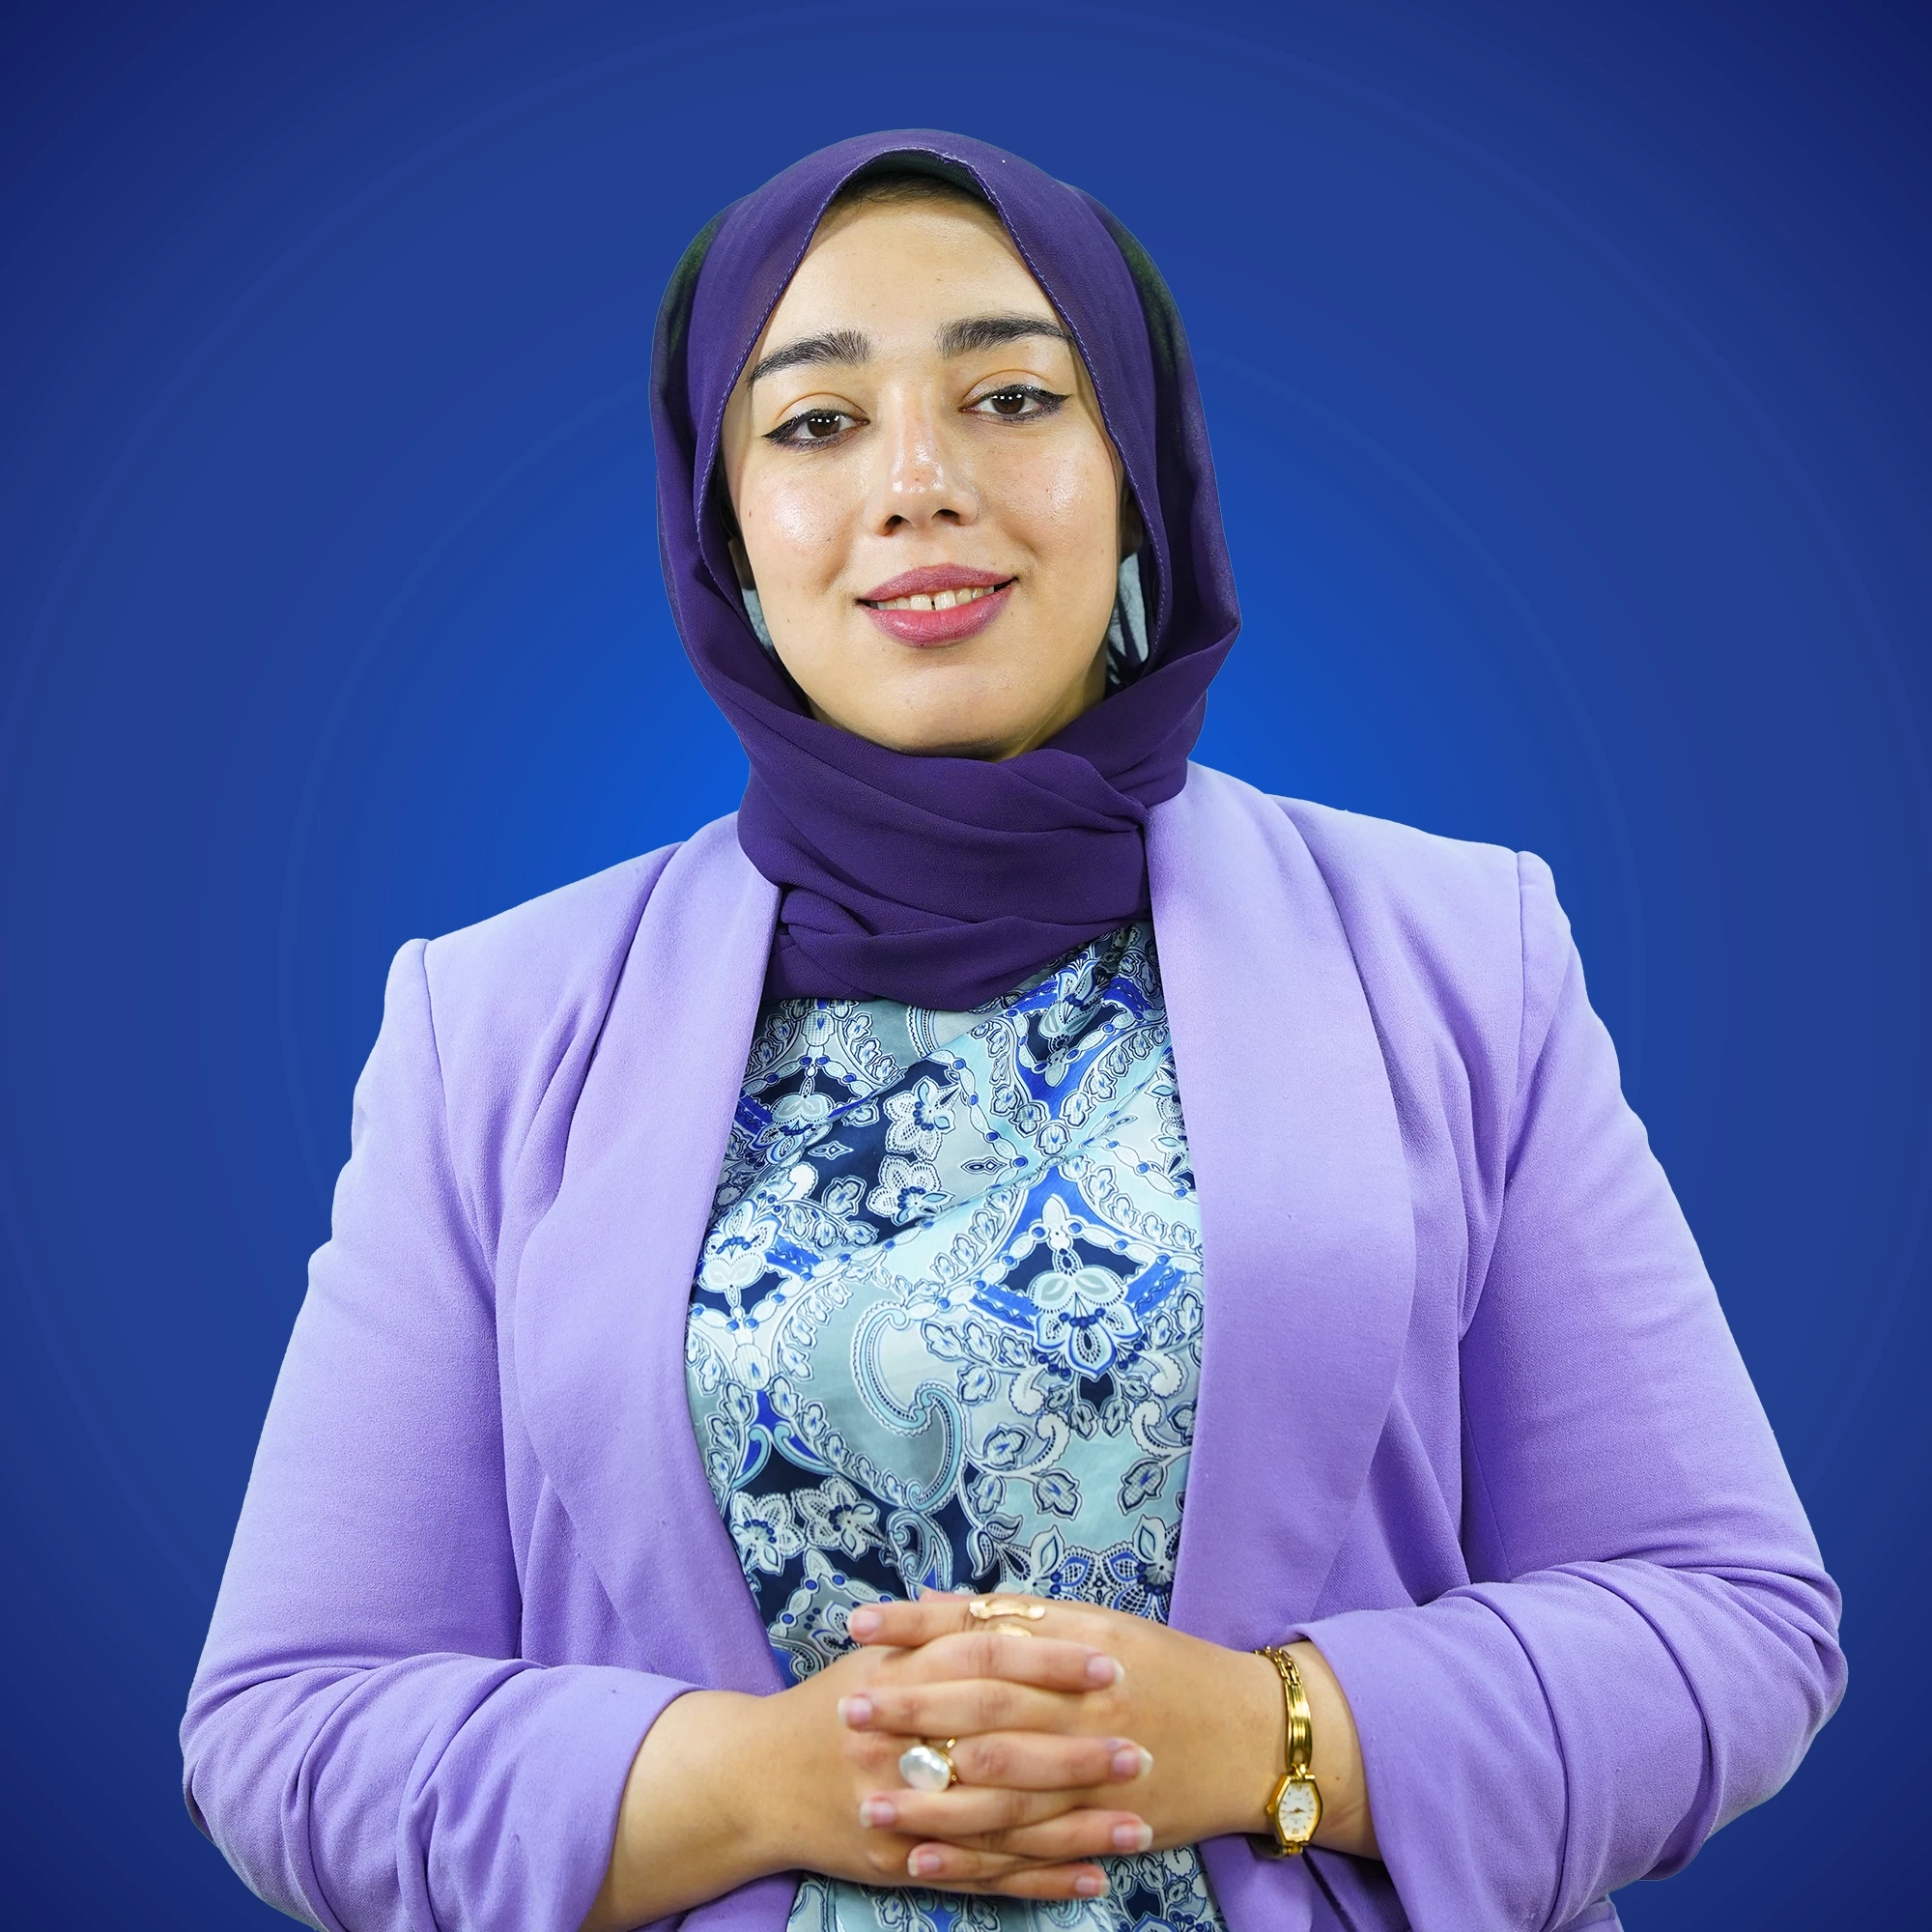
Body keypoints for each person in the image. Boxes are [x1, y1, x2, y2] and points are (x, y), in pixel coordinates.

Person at [181, 129, 1843, 1932]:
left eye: (1014, 398)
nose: (919, 484)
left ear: (1137, 476)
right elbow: (292, 1729)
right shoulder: (492, 1028)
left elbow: (1728, 1617)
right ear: (724, 530)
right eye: (817, 423)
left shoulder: (1456, 959)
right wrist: (759, 1782)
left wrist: (1273, 1734)